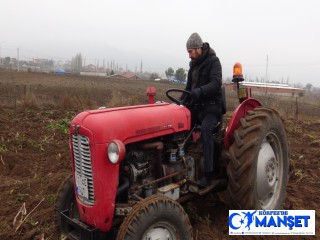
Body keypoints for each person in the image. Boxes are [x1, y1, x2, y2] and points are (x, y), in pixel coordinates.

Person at [182, 32, 223, 186]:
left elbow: (215, 84)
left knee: (206, 129)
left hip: (212, 108)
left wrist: (199, 91)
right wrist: (179, 105)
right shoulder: (193, 65)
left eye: (190, 52)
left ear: (198, 48)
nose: (189, 56)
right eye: (188, 52)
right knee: (179, 124)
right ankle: (181, 162)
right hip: (197, 108)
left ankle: (209, 173)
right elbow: (187, 89)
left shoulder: (214, 62)